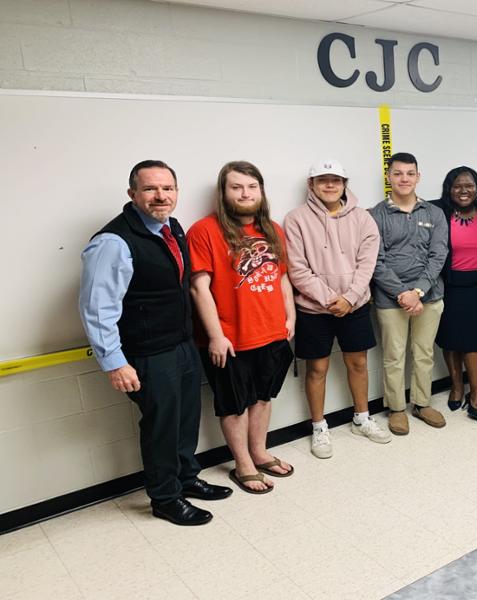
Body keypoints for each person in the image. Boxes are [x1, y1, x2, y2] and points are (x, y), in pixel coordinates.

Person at [79, 160, 232, 526]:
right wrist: (115, 362)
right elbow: (96, 308)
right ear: (132, 194)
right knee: (162, 426)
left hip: (180, 345)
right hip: (148, 353)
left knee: (185, 420)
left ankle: (185, 478)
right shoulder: (113, 242)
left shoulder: (172, 228)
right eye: (150, 189)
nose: (160, 196)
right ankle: (165, 498)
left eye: (167, 188)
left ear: (176, 193)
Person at [187, 161, 295, 494]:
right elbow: (198, 287)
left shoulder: (273, 230)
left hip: (272, 333)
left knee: (262, 398)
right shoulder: (204, 230)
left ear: (261, 191)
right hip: (229, 340)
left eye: (251, 186)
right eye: (236, 187)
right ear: (224, 192)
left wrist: (290, 318)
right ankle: (243, 464)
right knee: (234, 404)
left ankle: (259, 452)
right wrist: (216, 336)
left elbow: (282, 277)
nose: (245, 193)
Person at [284, 160, 390, 458]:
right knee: (317, 368)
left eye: (336, 180)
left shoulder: (363, 219)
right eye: (322, 180)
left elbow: (367, 264)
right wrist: (331, 299)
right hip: (313, 309)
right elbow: (298, 268)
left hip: (354, 305)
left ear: (345, 183)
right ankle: (318, 427)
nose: (329, 185)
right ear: (311, 185)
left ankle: (362, 417)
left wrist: (350, 298)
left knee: (358, 364)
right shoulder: (295, 219)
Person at [370, 152, 449, 435]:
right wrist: (402, 294)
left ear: (418, 177)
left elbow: (438, 255)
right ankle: (396, 408)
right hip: (390, 300)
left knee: (424, 353)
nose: (404, 178)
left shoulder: (433, 213)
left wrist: (417, 291)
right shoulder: (375, 215)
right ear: (389, 177)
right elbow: (375, 261)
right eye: (398, 173)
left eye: (410, 173)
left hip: (429, 296)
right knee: (393, 355)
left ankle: (422, 403)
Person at [431, 166, 477, 421]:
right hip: (448, 286)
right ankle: (457, 387)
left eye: (469, 185)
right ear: (449, 189)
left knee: (475, 342)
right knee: (450, 340)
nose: (463, 190)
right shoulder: (437, 210)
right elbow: (408, 207)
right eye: (457, 186)